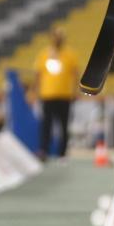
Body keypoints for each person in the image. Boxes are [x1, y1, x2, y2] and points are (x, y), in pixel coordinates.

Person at [34, 28, 80, 159]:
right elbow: (38, 74)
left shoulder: (70, 54)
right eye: (55, 36)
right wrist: (36, 91)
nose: (58, 39)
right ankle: (44, 150)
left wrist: (75, 91)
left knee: (64, 126)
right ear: (51, 38)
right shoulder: (44, 54)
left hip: (65, 96)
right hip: (47, 95)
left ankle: (62, 153)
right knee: (46, 125)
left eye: (60, 36)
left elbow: (75, 74)